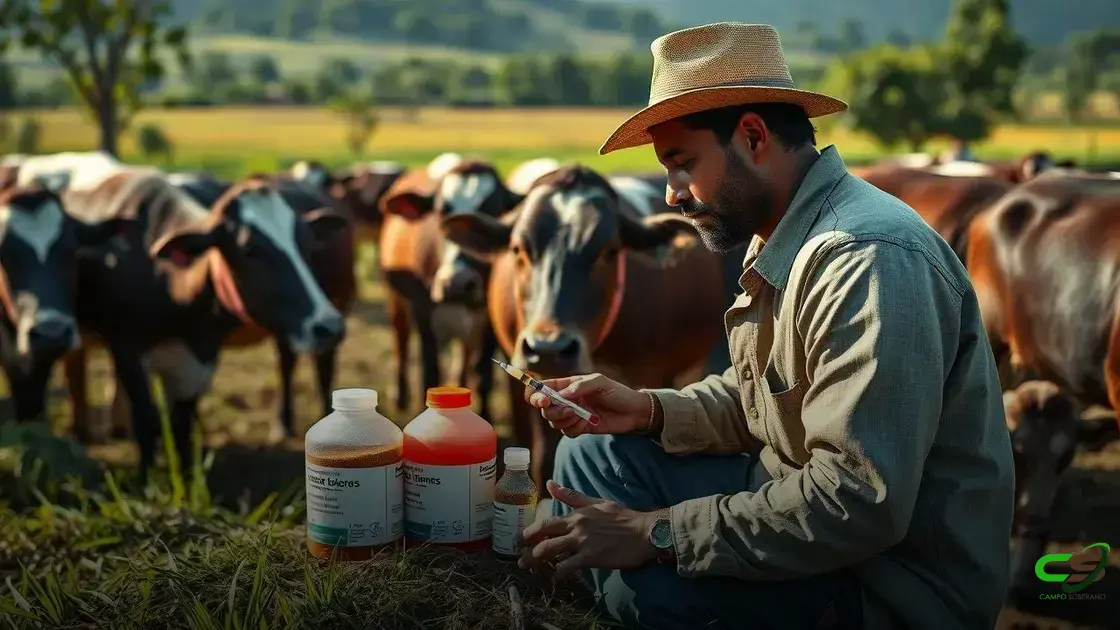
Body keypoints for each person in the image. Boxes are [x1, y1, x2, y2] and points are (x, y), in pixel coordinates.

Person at [515, 22, 1015, 630]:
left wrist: (656, 532)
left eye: (681, 164)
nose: (672, 194)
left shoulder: (867, 260)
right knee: (589, 456)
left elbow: (858, 503)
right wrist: (649, 409)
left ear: (752, 136)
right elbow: (771, 396)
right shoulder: (777, 234)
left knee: (640, 593)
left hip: (891, 579)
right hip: (796, 491)